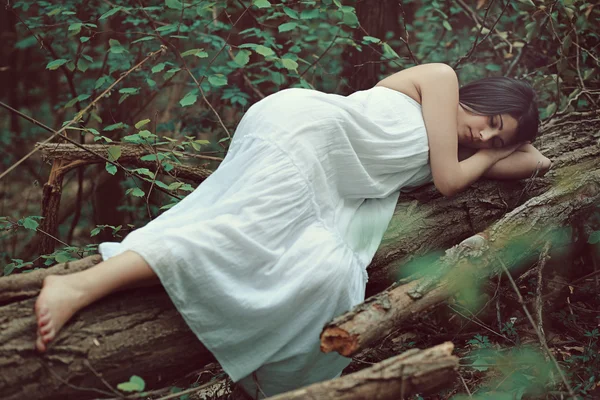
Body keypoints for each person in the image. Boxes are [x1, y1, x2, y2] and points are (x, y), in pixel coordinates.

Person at [33, 63, 550, 398]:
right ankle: (78, 285)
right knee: (240, 230)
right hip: (305, 132)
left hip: (327, 179)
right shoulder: (441, 80)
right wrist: (490, 150)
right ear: (484, 93)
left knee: (320, 272)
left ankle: (260, 381)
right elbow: (447, 181)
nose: (481, 134)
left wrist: (497, 146)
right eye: (490, 119)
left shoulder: (465, 148)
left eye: (495, 136)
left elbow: (539, 161)